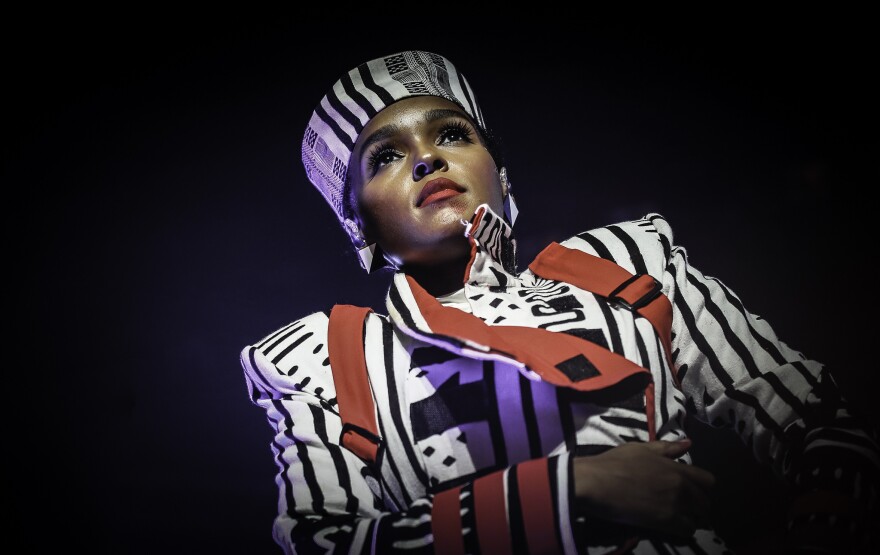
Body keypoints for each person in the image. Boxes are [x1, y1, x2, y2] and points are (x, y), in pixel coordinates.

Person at [239, 50, 879, 554]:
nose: (428, 157)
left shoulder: (621, 269)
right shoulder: (328, 360)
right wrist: (571, 491)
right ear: (360, 227)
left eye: (452, 133)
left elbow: (820, 424)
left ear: (501, 173)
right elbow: (323, 540)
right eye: (385, 156)